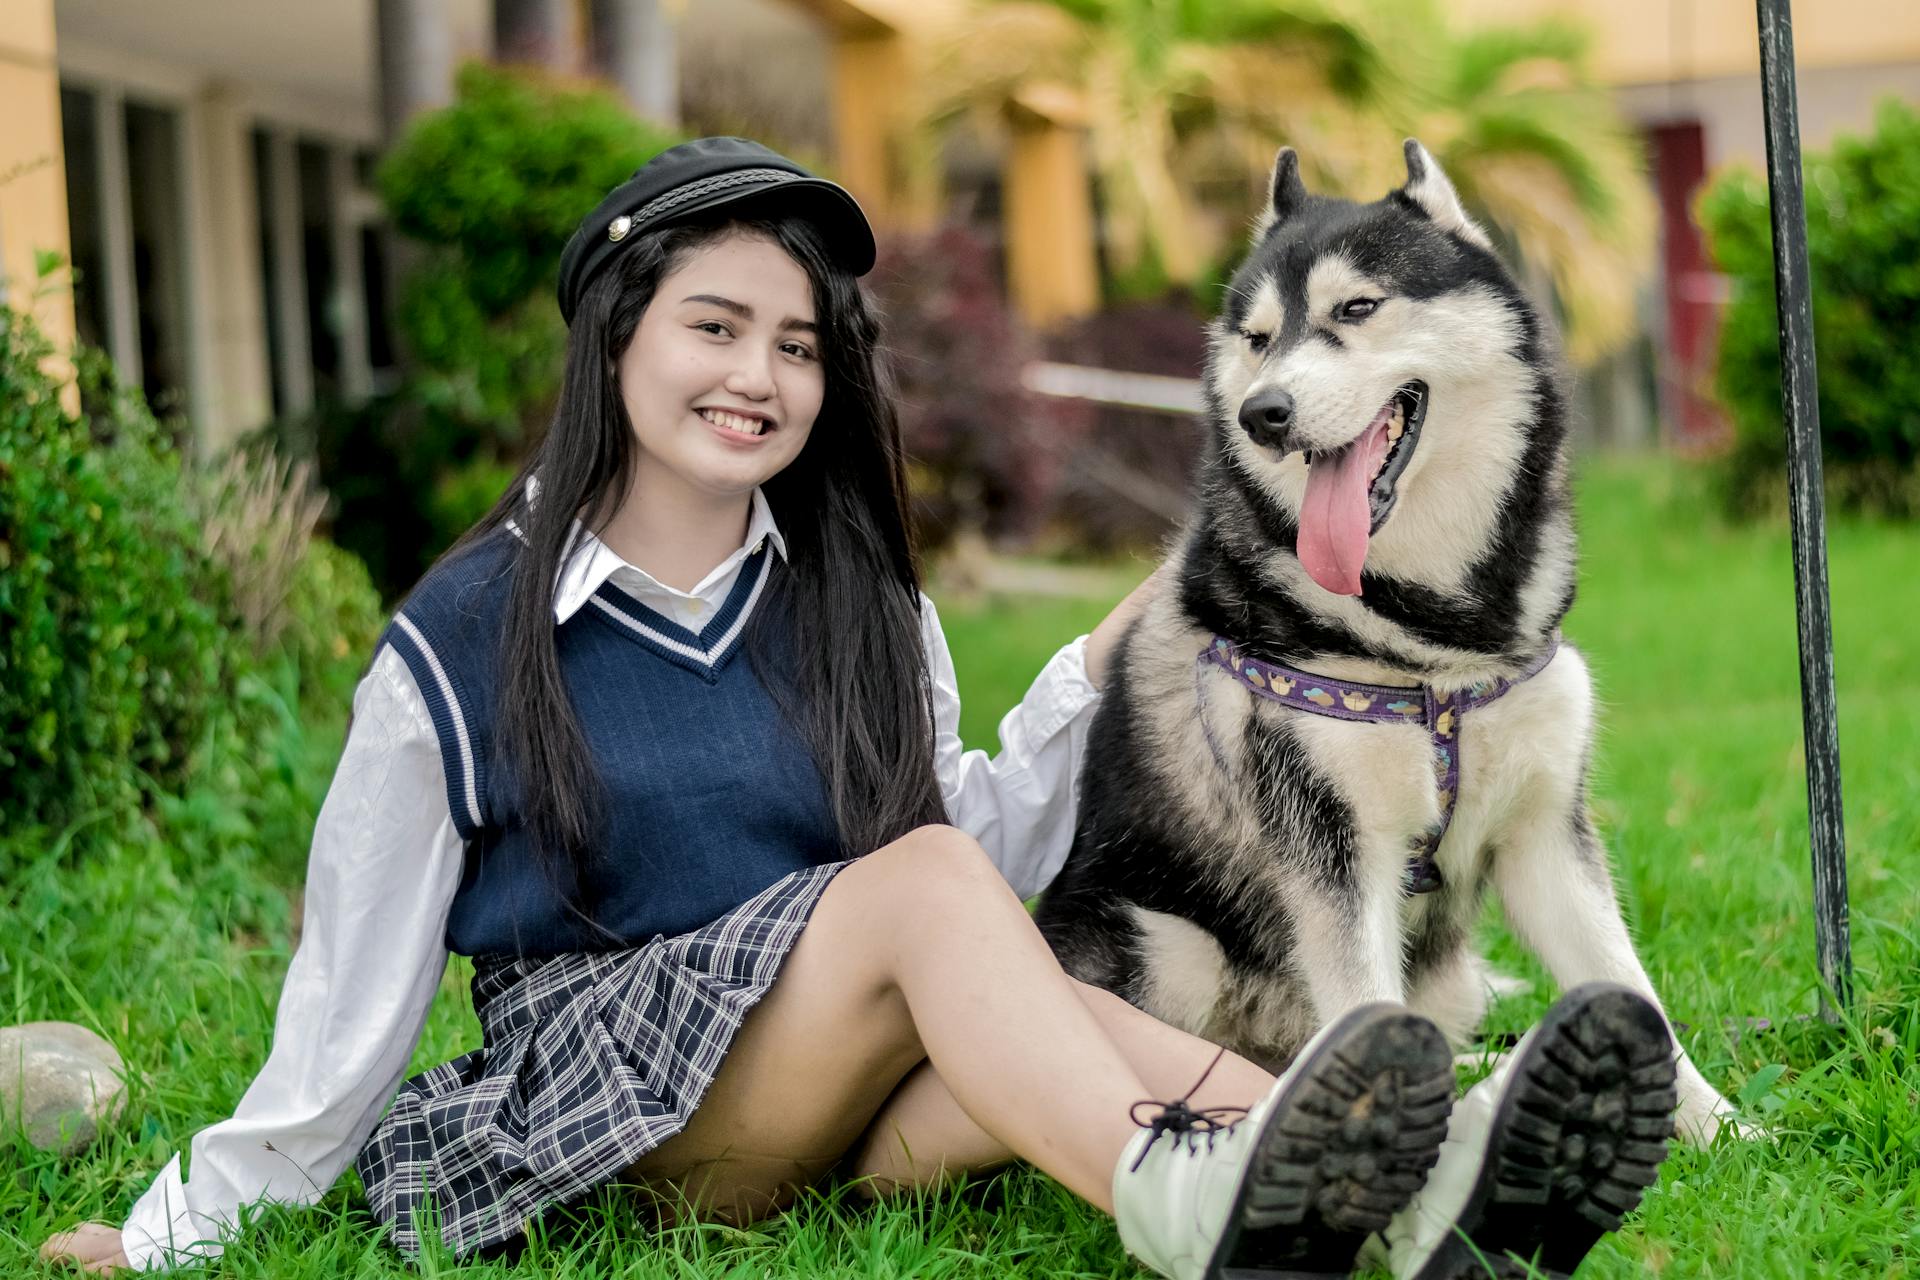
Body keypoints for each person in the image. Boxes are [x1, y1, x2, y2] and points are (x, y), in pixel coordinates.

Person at [43, 138, 1677, 1280]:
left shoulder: (857, 600)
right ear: (616, 337)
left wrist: (1114, 654)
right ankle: (1182, 1206)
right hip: (618, 1122)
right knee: (925, 902)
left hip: (845, 1098)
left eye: (800, 345)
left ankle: (1430, 1185)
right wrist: (193, 1224)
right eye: (715, 327)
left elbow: (960, 861)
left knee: (1019, 982)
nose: (761, 374)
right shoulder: (466, 638)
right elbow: (350, 988)